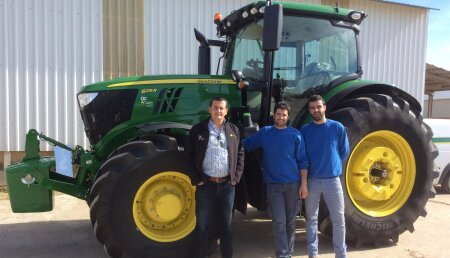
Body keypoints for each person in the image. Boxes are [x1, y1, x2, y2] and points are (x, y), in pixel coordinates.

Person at [243, 102, 308, 258]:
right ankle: (282, 254)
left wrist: (304, 184)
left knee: (290, 223)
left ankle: (288, 253)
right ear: (274, 115)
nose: (281, 117)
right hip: (274, 186)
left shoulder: (295, 135)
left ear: (288, 116)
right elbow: (246, 145)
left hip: (293, 185)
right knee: (279, 222)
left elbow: (303, 161)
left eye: (284, 115)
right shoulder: (265, 133)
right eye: (278, 114)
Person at [189, 96, 244, 258]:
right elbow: (189, 156)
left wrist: (236, 177)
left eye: (222, 108)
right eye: (215, 108)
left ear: (226, 111)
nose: (218, 111)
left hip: (227, 186)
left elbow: (240, 154)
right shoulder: (198, 130)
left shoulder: (234, 130)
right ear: (210, 109)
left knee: (226, 226)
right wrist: (197, 178)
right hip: (206, 185)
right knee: (202, 226)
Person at [300, 95, 350, 258]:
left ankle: (340, 254)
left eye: (318, 106)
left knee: (338, 219)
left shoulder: (337, 128)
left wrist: (332, 165)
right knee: (311, 220)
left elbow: (344, 152)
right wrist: (304, 183)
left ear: (324, 107)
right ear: (310, 110)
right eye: (313, 108)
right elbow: (303, 157)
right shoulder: (305, 131)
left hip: (333, 181)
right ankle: (312, 254)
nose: (316, 110)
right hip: (312, 181)